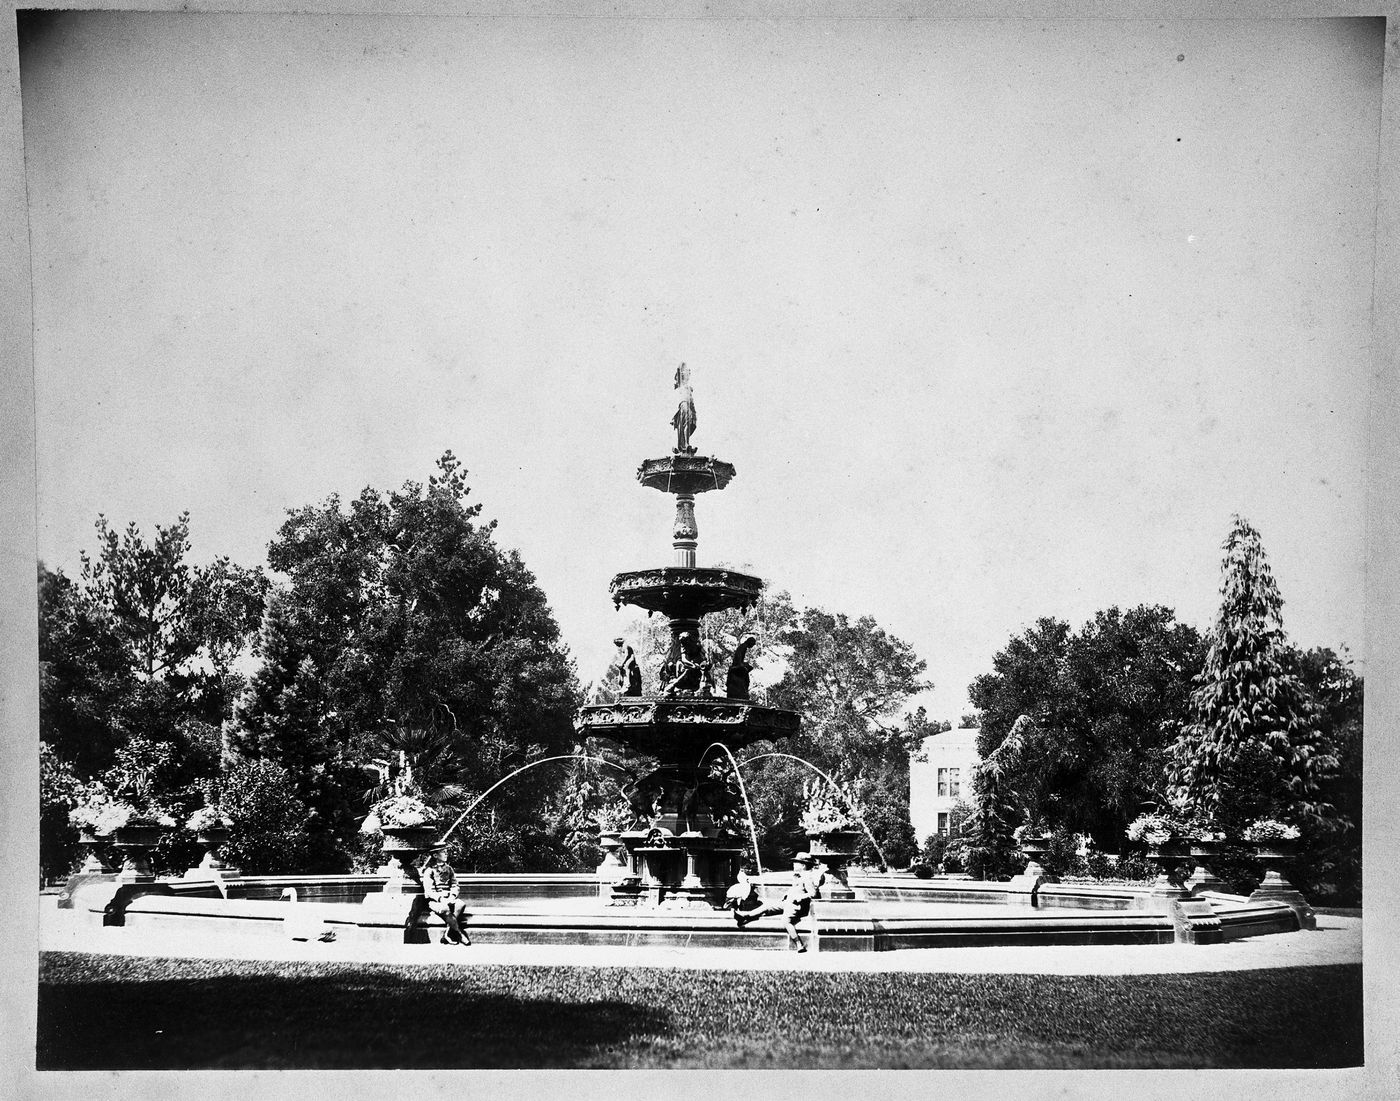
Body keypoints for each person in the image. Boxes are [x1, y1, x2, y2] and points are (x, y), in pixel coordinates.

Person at [735, 852, 825, 952]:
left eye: (796, 863)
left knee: (786, 921)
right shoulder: (800, 876)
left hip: (796, 906)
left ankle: (799, 944)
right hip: (788, 903)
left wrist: (801, 897)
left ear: (803, 866)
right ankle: (745, 916)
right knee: (767, 906)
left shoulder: (808, 877)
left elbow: (814, 894)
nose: (794, 864)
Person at [421, 842, 471, 946]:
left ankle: (447, 934)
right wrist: (441, 899)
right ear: (435, 855)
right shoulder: (429, 870)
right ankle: (459, 934)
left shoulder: (449, 869)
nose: (446, 854)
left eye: (446, 852)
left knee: (460, 904)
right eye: (443, 852)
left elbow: (455, 885)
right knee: (445, 908)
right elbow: (429, 891)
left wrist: (452, 896)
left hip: (449, 897)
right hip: (435, 900)